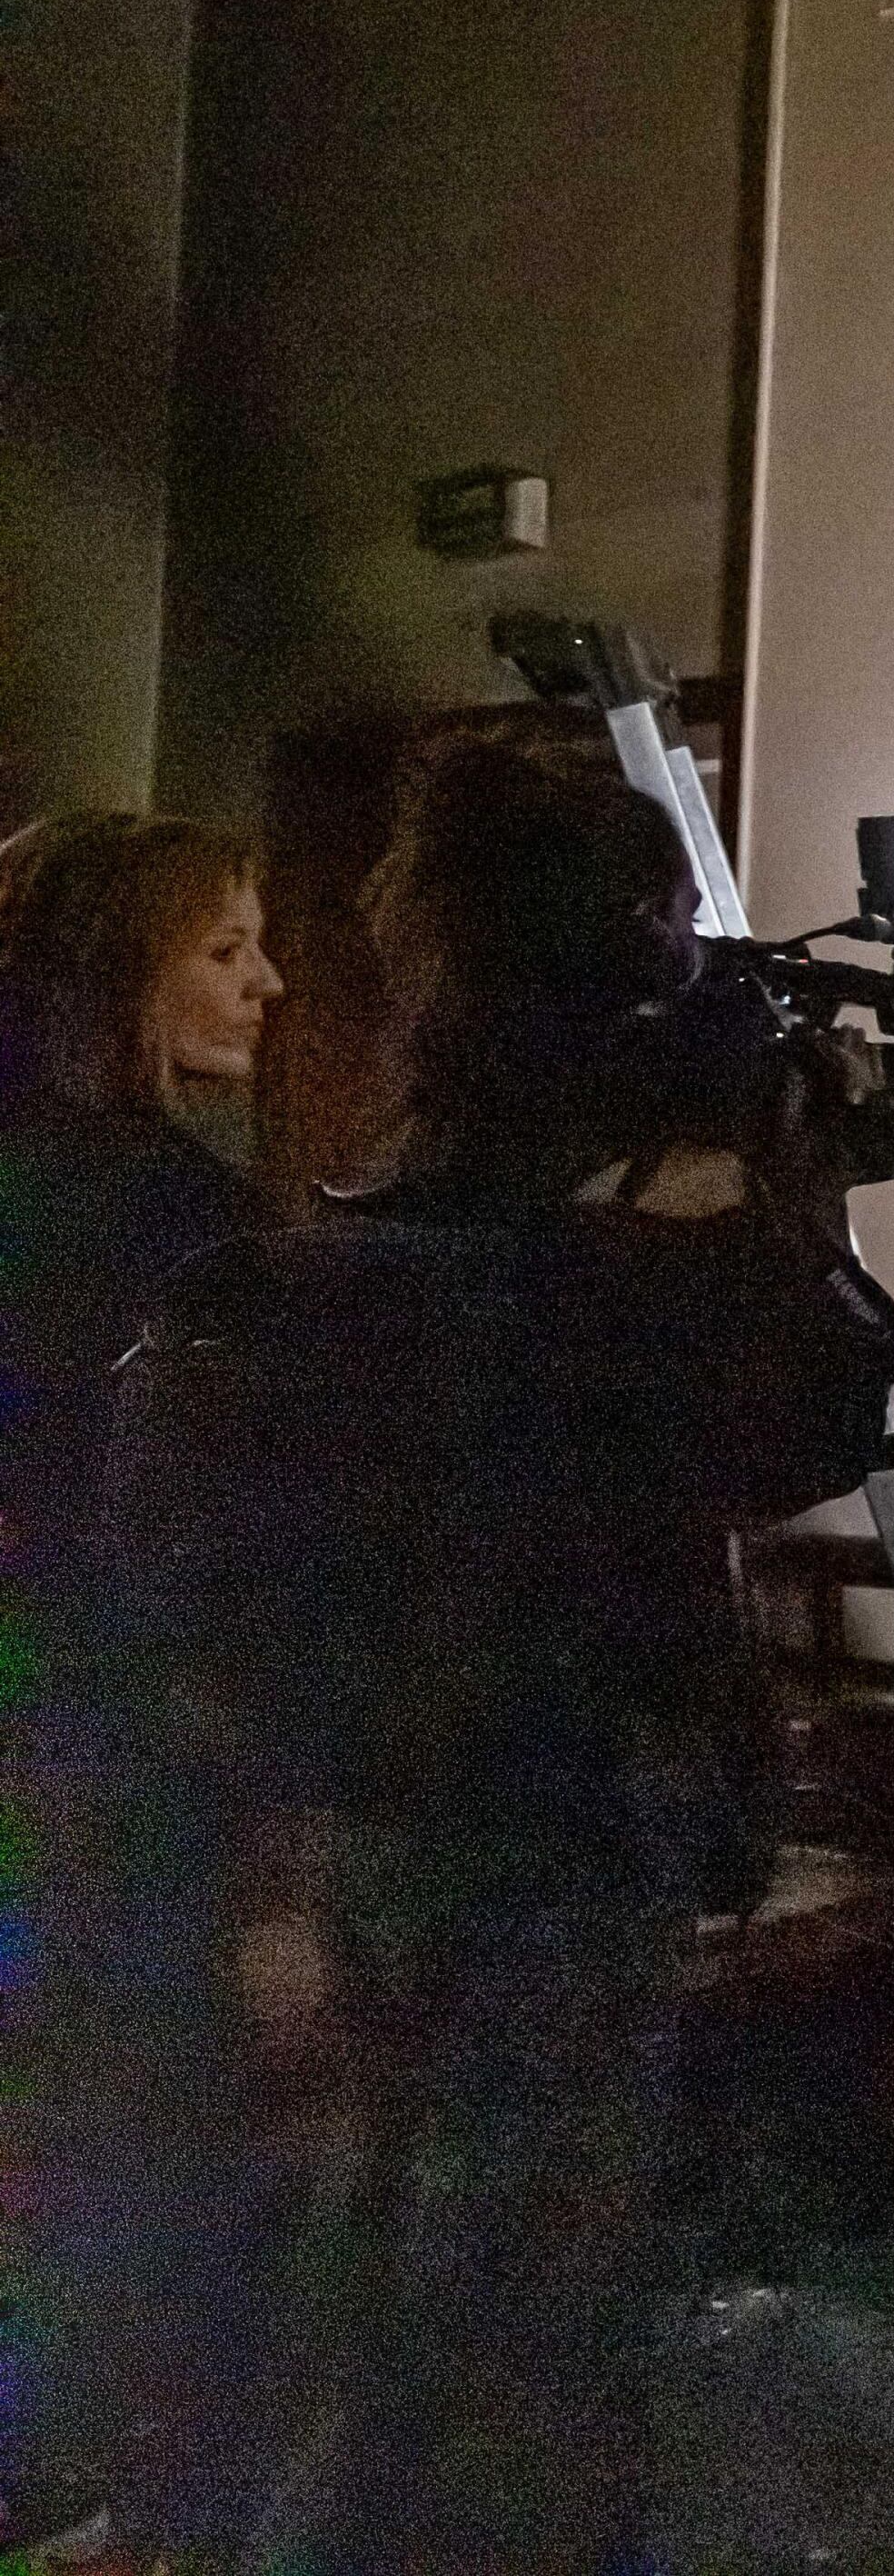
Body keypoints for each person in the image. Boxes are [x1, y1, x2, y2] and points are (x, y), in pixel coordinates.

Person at [100, 734, 894, 2572]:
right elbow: (804, 1408)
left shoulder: (411, 1235)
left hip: (373, 1813)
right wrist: (750, 1176)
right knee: (511, 2337)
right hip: (546, 1807)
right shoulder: (583, 1255)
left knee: (381, 2311)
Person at [0, 811, 281, 2551]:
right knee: (138, 2143)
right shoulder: (177, 1215)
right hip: (122, 1746)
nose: (269, 980)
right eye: (224, 949)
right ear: (122, 977)